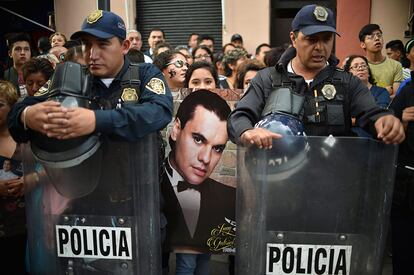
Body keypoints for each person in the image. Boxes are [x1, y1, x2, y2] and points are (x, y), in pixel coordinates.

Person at [227, 4, 405, 148]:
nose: (320, 47)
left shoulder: (348, 82)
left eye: (327, 39)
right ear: (293, 38)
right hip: (280, 181)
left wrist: (384, 121)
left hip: (331, 179)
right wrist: (247, 132)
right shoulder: (267, 79)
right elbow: (239, 117)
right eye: (312, 39)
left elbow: (371, 113)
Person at [161, 90, 235, 275]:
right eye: (198, 139)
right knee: (186, 266)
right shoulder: (153, 183)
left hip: (206, 241)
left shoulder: (226, 195)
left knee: (203, 264)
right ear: (176, 129)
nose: (206, 158)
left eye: (217, 148)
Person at [0, 80, 26, 274]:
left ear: (11, 107)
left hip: (27, 227)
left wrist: (30, 180)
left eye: (0, 104)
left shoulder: (25, 137)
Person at [359, 24, 403, 97]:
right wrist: (385, 91)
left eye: (379, 35)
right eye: (371, 37)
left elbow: (396, 96)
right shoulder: (359, 66)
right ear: (363, 44)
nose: (377, 38)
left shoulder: (396, 65)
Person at [3, 32, 32, 98]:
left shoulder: (38, 73)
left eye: (26, 49)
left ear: (30, 52)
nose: (22, 53)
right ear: (10, 53)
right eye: (18, 49)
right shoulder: (4, 76)